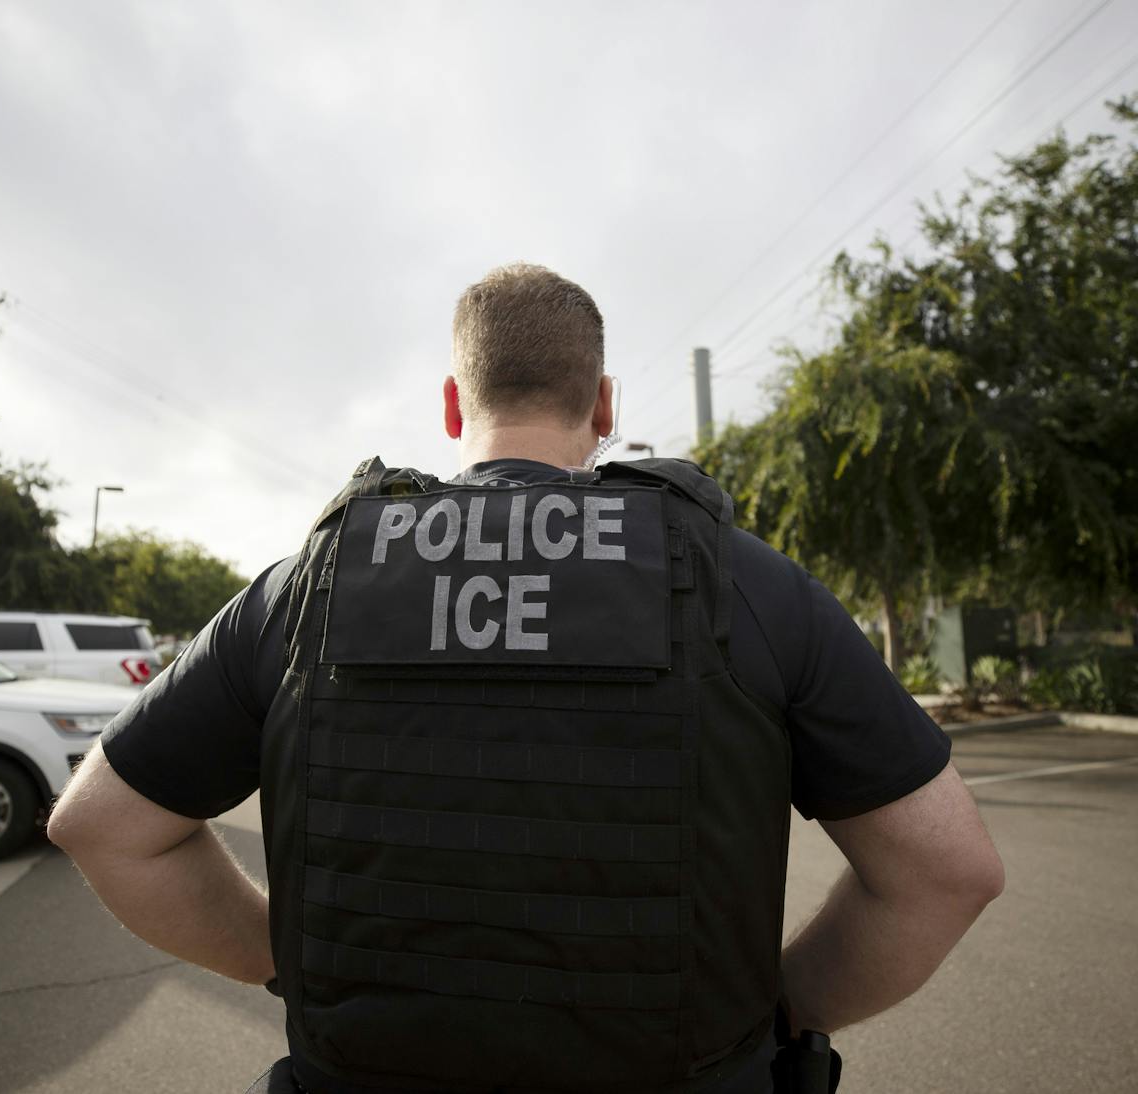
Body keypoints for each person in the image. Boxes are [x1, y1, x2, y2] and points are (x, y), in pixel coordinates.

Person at [49, 263, 1004, 1094]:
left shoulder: (313, 585)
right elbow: (945, 872)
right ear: (604, 408)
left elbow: (101, 827)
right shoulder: (744, 581)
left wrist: (278, 957)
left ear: (455, 406)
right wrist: (781, 1009)